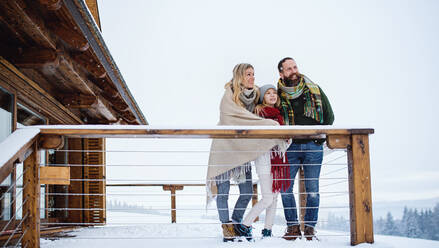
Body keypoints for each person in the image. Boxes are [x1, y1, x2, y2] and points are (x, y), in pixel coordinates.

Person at [206, 63, 286, 242]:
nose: (252, 78)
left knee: (247, 192)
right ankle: (227, 228)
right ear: (239, 76)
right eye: (248, 74)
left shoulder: (256, 96)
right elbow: (236, 119)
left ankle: (236, 223)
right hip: (224, 150)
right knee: (224, 191)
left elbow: (263, 109)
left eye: (253, 74)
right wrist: (270, 125)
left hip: (243, 151)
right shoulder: (228, 96)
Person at [277, 57, 335, 240]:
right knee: (285, 189)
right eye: (288, 69)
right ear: (281, 73)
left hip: (312, 146)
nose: (293, 71)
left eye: (295, 67)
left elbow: (330, 116)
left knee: (312, 189)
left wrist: (318, 139)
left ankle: (310, 229)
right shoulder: (277, 94)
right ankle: (293, 227)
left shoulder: (314, 89)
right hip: (290, 146)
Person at [238, 84, 291, 239]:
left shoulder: (279, 115)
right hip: (264, 158)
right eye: (268, 93)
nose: (272, 95)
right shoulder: (259, 113)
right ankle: (245, 225)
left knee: (274, 197)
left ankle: (267, 230)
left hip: (278, 159)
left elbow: (285, 139)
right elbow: (259, 137)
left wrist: (287, 139)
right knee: (268, 197)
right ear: (262, 97)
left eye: (274, 93)